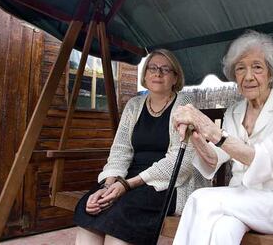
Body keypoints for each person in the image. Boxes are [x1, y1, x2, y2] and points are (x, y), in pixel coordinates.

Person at [172, 30, 273, 245]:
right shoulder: (234, 112)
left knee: (199, 198)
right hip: (243, 199)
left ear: (270, 73)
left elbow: (266, 160)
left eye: (257, 67)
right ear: (235, 76)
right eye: (241, 68)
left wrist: (211, 129)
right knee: (222, 229)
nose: (248, 76)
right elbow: (214, 159)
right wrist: (196, 134)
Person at [74, 49, 209, 245]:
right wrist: (108, 184)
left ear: (175, 78)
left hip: (169, 183)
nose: (158, 73)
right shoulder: (134, 105)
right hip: (128, 179)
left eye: (165, 69)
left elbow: (180, 164)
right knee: (92, 206)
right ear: (145, 74)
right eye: (152, 68)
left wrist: (127, 185)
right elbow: (120, 150)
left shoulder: (184, 106)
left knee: (122, 213)